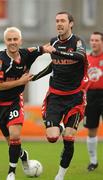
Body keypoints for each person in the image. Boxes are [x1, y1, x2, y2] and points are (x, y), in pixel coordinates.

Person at [0, 27, 54, 180]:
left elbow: (45, 48)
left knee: (15, 135)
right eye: (9, 39)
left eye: (15, 39)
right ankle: (24, 156)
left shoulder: (27, 53)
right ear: (5, 41)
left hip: (14, 102)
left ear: (20, 40)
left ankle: (11, 173)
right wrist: (21, 81)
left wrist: (60, 49)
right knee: (11, 143)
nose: (12, 42)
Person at [32, 12, 88, 180]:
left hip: (75, 97)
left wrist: (57, 51)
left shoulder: (77, 42)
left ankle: (60, 175)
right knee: (52, 137)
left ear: (71, 23)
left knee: (69, 138)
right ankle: (60, 128)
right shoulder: (53, 42)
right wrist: (35, 77)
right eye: (57, 21)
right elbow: (53, 65)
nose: (59, 24)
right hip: (56, 97)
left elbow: (79, 56)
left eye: (63, 21)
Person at [84, 32, 103, 171]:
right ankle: (93, 161)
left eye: (97, 40)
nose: (94, 42)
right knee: (91, 129)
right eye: (92, 40)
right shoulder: (85, 59)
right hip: (90, 96)